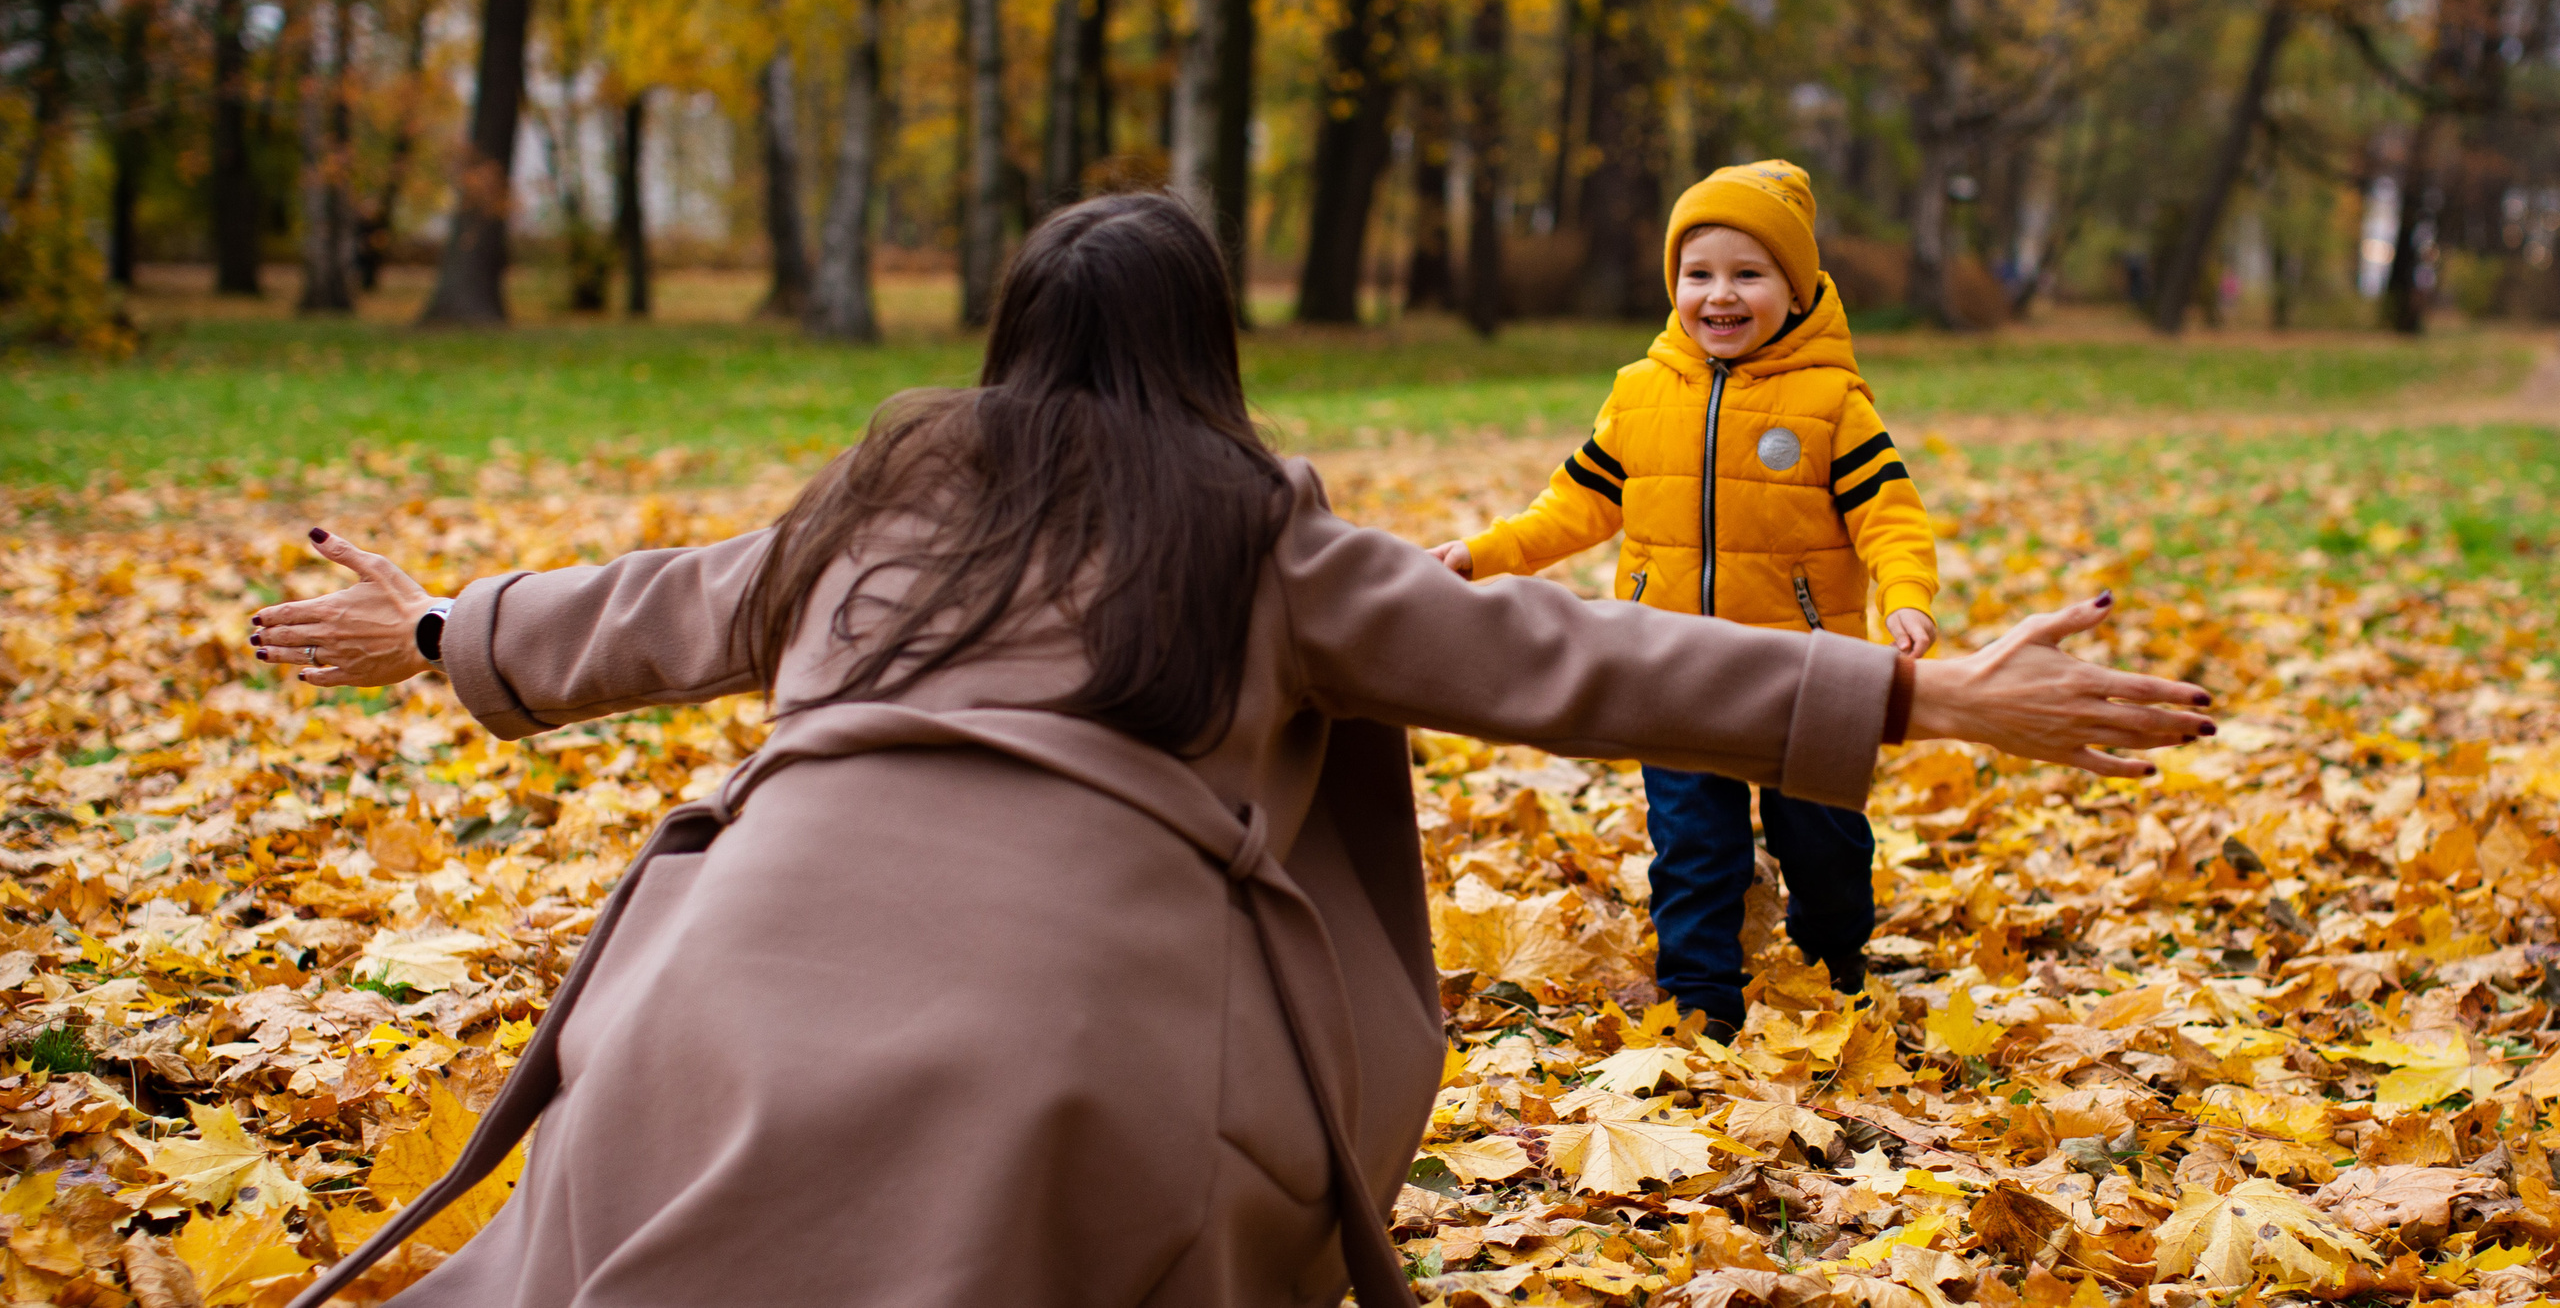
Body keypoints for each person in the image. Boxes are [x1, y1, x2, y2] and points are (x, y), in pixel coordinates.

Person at [250, 194, 2212, 1308]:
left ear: (1008, 335)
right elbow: (1565, 660)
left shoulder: (876, 498)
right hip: (1066, 1055)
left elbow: (647, 606)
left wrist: (433, 626)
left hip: (720, 1011)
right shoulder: (1258, 532)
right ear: (1210, 350)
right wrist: (1920, 694)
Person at [1428, 160, 1930, 1039]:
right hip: (1672, 663)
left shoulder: (1832, 405)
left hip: (1804, 665)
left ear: (1797, 286)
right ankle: (1703, 1004)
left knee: (1825, 841)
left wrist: (1907, 597)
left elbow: (1889, 515)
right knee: (1693, 846)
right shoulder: (1641, 393)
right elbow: (1576, 503)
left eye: (1749, 274)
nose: (1720, 295)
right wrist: (1483, 553)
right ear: (1674, 285)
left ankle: (1833, 961)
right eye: (1699, 274)